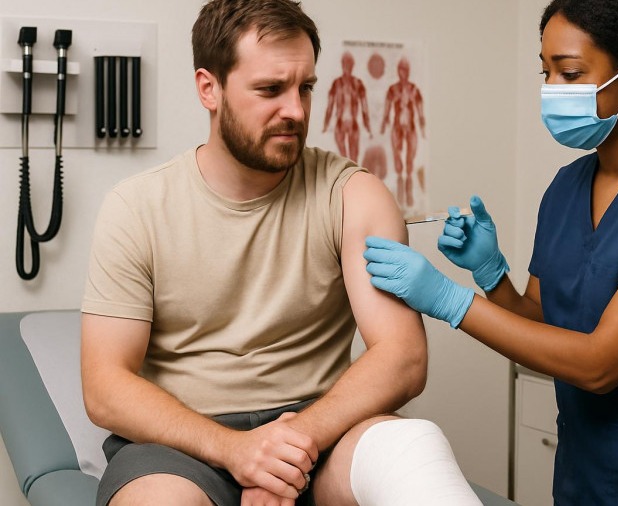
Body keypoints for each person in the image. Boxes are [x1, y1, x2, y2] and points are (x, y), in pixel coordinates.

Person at [363, 0, 618, 504]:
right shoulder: (566, 188)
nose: (552, 89)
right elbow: (543, 320)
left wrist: (447, 300)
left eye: (570, 73)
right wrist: (491, 276)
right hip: (588, 472)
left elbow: (601, 364)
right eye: (546, 71)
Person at [80, 1, 481, 505]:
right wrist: (236, 450)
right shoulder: (135, 208)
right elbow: (104, 385)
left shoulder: (353, 195)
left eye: (306, 87)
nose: (295, 110)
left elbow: (401, 357)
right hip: (181, 447)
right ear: (210, 88)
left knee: (414, 447)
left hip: (321, 429)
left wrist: (288, 450)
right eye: (270, 89)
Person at [380, 57, 426, 209]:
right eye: (400, 70)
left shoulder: (414, 90)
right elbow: (387, 108)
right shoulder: (393, 90)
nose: (403, 73)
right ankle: (400, 189)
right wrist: (384, 122)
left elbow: (420, 111)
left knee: (410, 161)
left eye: (405, 70)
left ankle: (409, 190)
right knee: (398, 159)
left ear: (408, 72)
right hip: (397, 128)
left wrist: (423, 126)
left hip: (411, 127)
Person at [323, 51, 372, 162]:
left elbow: (365, 108)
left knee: (354, 160)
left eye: (349, 64)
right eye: (345, 64)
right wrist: (325, 125)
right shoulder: (336, 83)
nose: (347, 67)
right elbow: (330, 107)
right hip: (340, 124)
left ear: (352, 66)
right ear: (342, 65)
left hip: (353, 124)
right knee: (343, 160)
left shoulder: (358, 83)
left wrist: (367, 126)